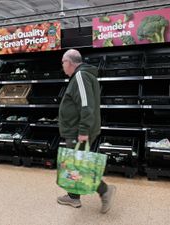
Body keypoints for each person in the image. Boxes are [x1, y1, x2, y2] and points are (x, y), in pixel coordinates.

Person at [57, 49, 116, 214]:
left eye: (63, 63)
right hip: (78, 129)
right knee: (75, 163)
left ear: (69, 62)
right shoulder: (83, 75)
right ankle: (73, 197)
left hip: (79, 130)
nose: (62, 66)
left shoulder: (81, 76)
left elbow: (86, 105)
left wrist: (83, 130)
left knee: (80, 165)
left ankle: (104, 191)